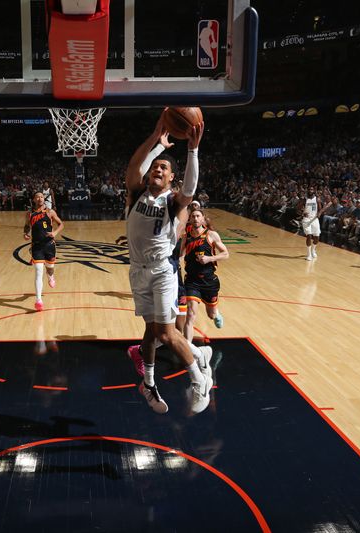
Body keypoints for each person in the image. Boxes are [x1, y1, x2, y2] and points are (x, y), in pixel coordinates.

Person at [123, 113, 213, 416]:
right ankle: (148, 382)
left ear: (171, 177)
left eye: (164, 167)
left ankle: (200, 379)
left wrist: (192, 150)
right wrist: (155, 140)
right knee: (150, 331)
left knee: (165, 333)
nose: (158, 169)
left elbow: (189, 189)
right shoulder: (137, 192)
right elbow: (134, 166)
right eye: (156, 166)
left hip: (163, 269)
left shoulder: (173, 202)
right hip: (137, 270)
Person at [182, 207, 228, 341]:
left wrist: (210, 259)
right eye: (193, 216)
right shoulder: (186, 237)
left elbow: (226, 254)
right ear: (190, 220)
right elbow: (180, 255)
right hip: (192, 280)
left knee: (211, 315)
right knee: (190, 314)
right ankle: (188, 348)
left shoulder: (211, 235)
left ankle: (216, 313)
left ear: (203, 219)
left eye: (198, 216)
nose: (195, 219)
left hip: (209, 280)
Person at [24, 191, 64, 311]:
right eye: (37, 197)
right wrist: (25, 233)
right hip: (36, 246)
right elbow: (26, 226)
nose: (40, 199)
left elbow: (61, 224)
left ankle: (50, 276)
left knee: (50, 268)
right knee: (38, 271)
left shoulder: (50, 212)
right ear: (34, 200)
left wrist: (55, 233)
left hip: (49, 245)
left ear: (44, 199)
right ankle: (38, 300)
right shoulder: (29, 214)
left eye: (42, 197)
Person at [297, 186, 322, 261]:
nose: (310, 190)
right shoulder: (304, 199)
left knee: (317, 237)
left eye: (312, 189)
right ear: (307, 190)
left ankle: (313, 250)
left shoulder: (317, 199)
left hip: (314, 219)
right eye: (309, 189)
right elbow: (297, 209)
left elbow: (320, 209)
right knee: (309, 236)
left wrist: (319, 214)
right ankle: (308, 255)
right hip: (306, 219)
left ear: (314, 190)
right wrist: (302, 214)